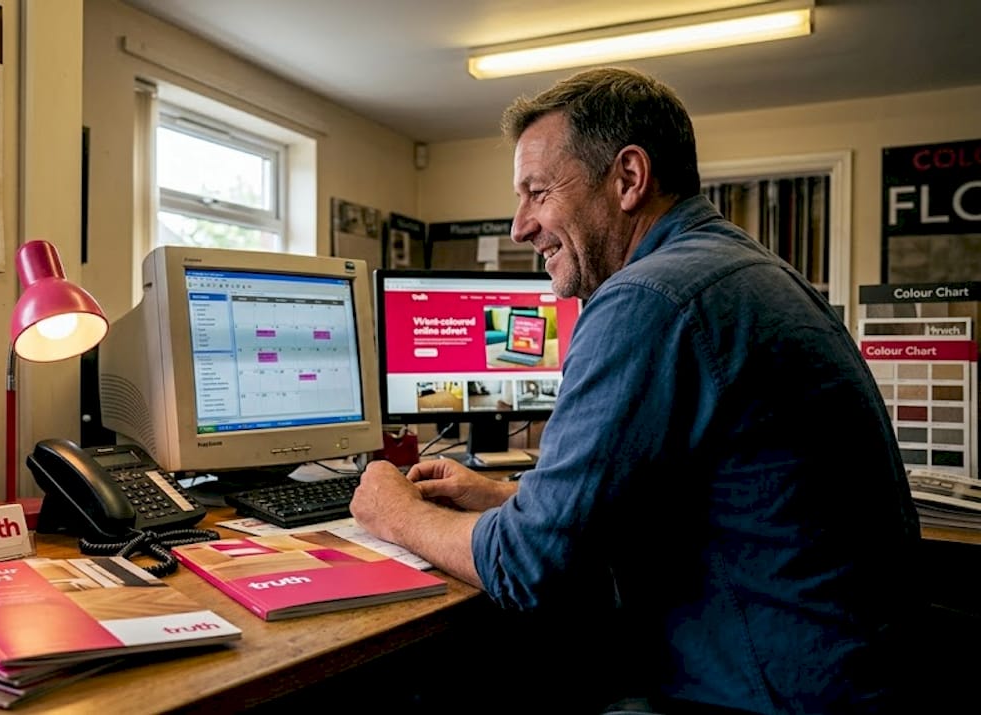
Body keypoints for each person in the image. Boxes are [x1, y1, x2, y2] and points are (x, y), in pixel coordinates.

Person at [350, 67, 923, 714]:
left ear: (628, 178)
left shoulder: (648, 297)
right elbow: (704, 495)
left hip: (768, 697)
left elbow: (529, 565)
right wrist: (509, 495)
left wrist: (392, 510)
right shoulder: (742, 271)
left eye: (538, 192)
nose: (519, 226)